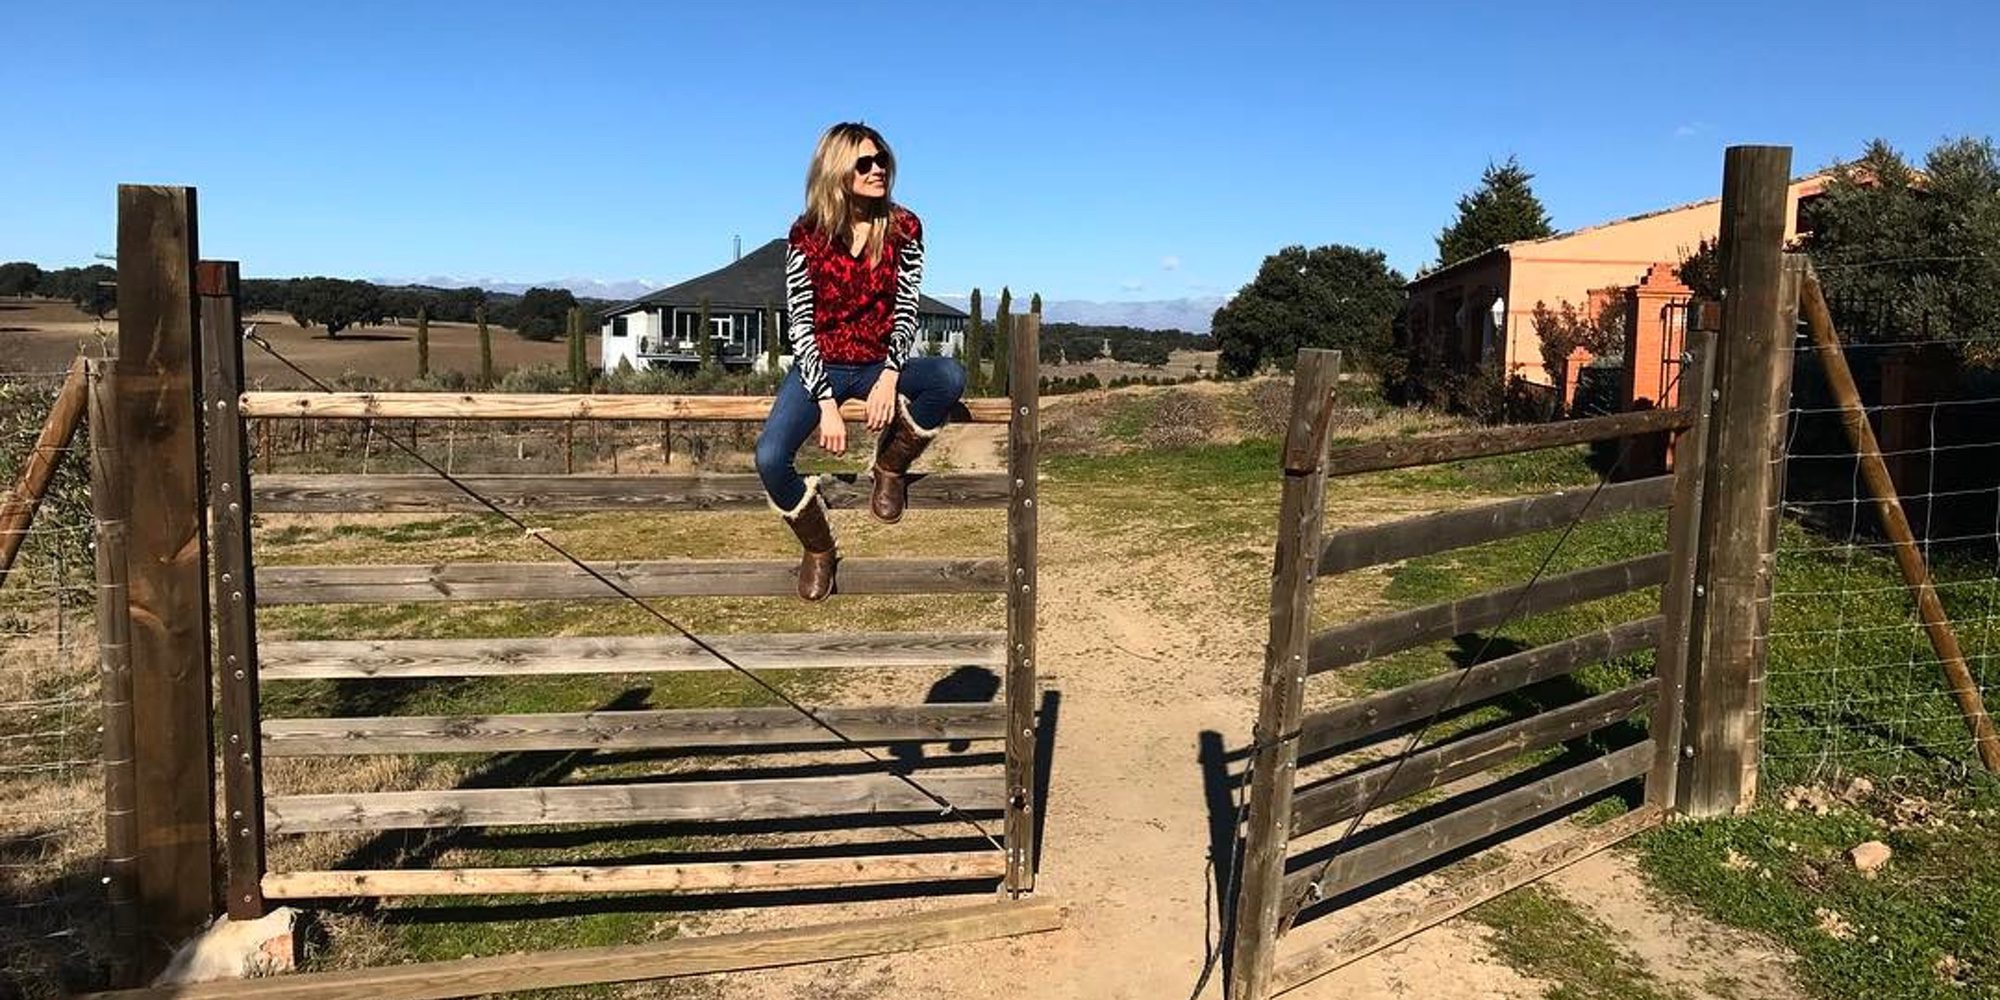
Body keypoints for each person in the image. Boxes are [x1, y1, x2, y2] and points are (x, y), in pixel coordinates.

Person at [755, 122, 966, 602]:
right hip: (821, 364)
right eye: (864, 164)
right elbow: (802, 323)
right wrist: (826, 404)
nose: (878, 171)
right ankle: (819, 547)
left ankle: (890, 467)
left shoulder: (905, 227)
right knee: (769, 457)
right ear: (837, 170)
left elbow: (906, 308)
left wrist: (890, 375)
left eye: (882, 161)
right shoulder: (807, 234)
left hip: (878, 363)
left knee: (950, 377)